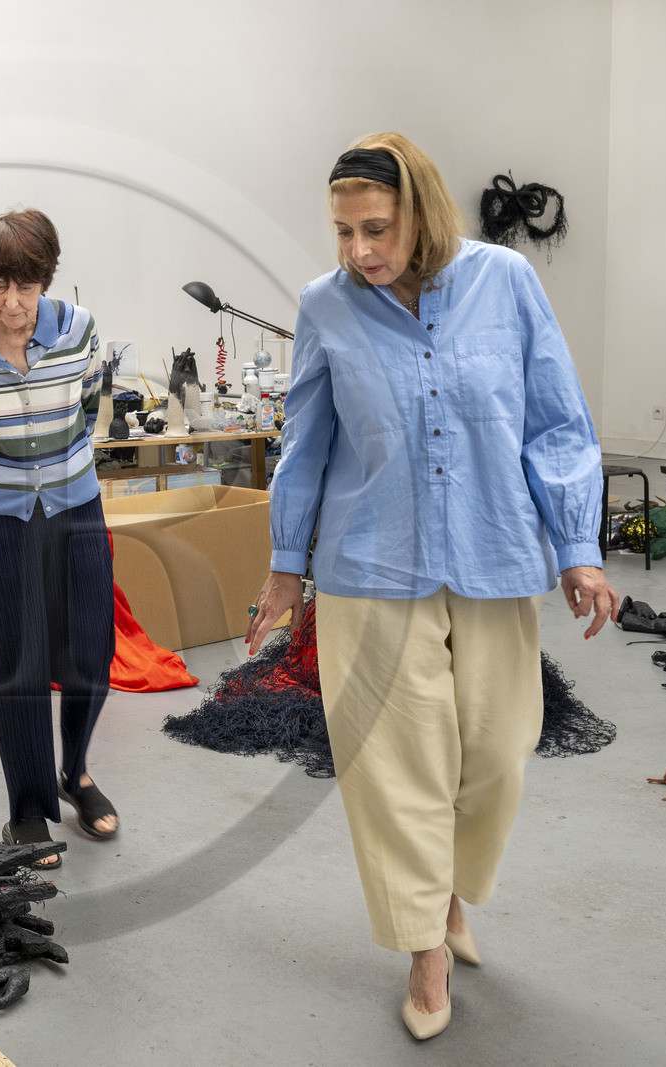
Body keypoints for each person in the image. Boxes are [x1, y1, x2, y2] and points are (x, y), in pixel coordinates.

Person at [244, 132, 619, 1039]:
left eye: (375, 228)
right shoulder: (325, 308)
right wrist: (287, 567)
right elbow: (307, 444)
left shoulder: (506, 283)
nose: (359, 251)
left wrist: (579, 545)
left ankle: (450, 892)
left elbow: (556, 419)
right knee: (396, 767)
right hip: (371, 565)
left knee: (494, 750)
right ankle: (424, 947)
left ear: (423, 212)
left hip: (493, 553)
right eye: (342, 232)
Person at [0, 209, 117, 868]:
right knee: (17, 662)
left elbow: (93, 403)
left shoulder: (78, 331)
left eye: (26, 287)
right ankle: (29, 808)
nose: (12, 303)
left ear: (46, 281)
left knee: (92, 649)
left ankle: (77, 771)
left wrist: (64, 470)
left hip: (76, 507)